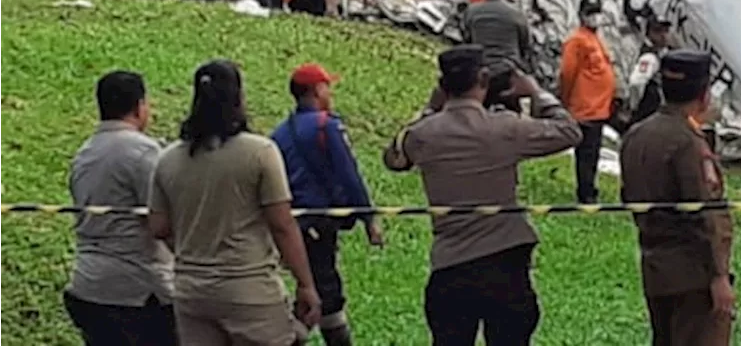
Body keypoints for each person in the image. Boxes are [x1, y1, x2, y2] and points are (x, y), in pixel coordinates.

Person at [395, 45, 582, 345]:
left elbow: (394, 157)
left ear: (442, 86)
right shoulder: (504, 128)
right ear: (484, 79)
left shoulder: (423, 135)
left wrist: (430, 109)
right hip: (505, 260)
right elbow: (569, 132)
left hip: (451, 264)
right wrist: (536, 93)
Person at [147, 61, 320, 345]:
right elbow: (282, 225)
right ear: (239, 98)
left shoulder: (168, 160)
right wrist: (306, 284)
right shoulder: (260, 152)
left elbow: (158, 227)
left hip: (191, 291)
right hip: (249, 288)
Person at [620, 50, 736, 346]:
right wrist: (719, 276)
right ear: (704, 94)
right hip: (693, 274)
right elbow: (703, 215)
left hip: (655, 267)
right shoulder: (688, 142)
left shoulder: (636, 136)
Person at [270, 64, 381, 346]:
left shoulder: (279, 134)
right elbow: (349, 174)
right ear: (318, 90)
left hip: (293, 225)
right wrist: (369, 218)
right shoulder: (326, 126)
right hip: (320, 222)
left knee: (315, 287)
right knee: (326, 293)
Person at [65, 71, 176, 346]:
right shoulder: (143, 152)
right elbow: (163, 222)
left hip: (88, 285)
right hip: (136, 291)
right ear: (140, 107)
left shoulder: (84, 153)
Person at [559, 0, 617, 204]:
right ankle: (586, 195)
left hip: (600, 107)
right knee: (586, 153)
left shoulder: (595, 39)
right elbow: (567, 73)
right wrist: (565, 101)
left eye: (596, 12)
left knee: (592, 153)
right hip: (585, 107)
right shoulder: (577, 40)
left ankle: (589, 189)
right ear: (581, 16)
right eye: (589, 13)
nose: (594, 17)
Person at [462, 0, 533, 69]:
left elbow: (467, 38)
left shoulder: (471, 11)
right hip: (510, 67)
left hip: (481, 66)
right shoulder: (516, 13)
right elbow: (525, 43)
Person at [629, 17, 673, 125]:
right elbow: (636, 82)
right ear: (649, 33)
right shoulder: (649, 57)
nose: (664, 36)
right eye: (658, 31)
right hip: (646, 111)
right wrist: (634, 106)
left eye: (666, 31)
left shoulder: (661, 53)